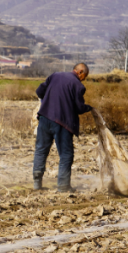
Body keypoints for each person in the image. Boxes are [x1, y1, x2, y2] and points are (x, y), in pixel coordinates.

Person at [33, 62, 93, 192]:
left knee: (41, 150)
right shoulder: (78, 85)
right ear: (80, 72)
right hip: (62, 123)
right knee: (66, 154)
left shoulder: (55, 75)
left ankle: (37, 184)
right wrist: (89, 108)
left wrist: (49, 100)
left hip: (44, 118)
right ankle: (63, 186)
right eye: (85, 76)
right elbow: (79, 107)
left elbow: (39, 91)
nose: (84, 79)